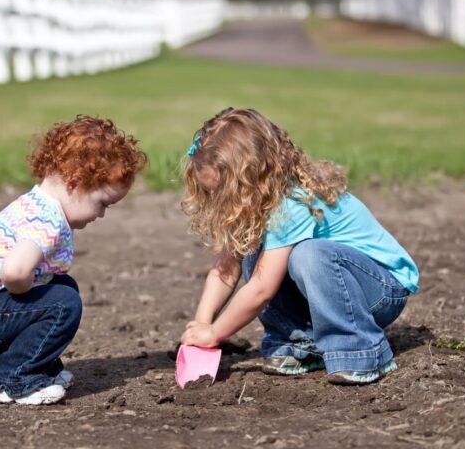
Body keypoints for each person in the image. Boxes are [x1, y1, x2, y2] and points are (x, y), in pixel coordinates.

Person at [179, 108, 418, 385]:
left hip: (381, 293)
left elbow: (261, 289)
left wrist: (215, 333)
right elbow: (225, 270)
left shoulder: (290, 204)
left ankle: (361, 349)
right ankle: (300, 345)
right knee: (253, 253)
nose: (218, 200)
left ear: (251, 179)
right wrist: (201, 326)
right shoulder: (252, 204)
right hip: (333, 291)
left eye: (223, 192)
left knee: (307, 255)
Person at [0, 115, 147, 404]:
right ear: (75, 183)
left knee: (61, 287)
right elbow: (14, 271)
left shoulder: (35, 204)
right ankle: (11, 378)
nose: (101, 215)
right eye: (102, 203)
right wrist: (24, 290)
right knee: (63, 302)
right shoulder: (47, 222)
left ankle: (41, 367)